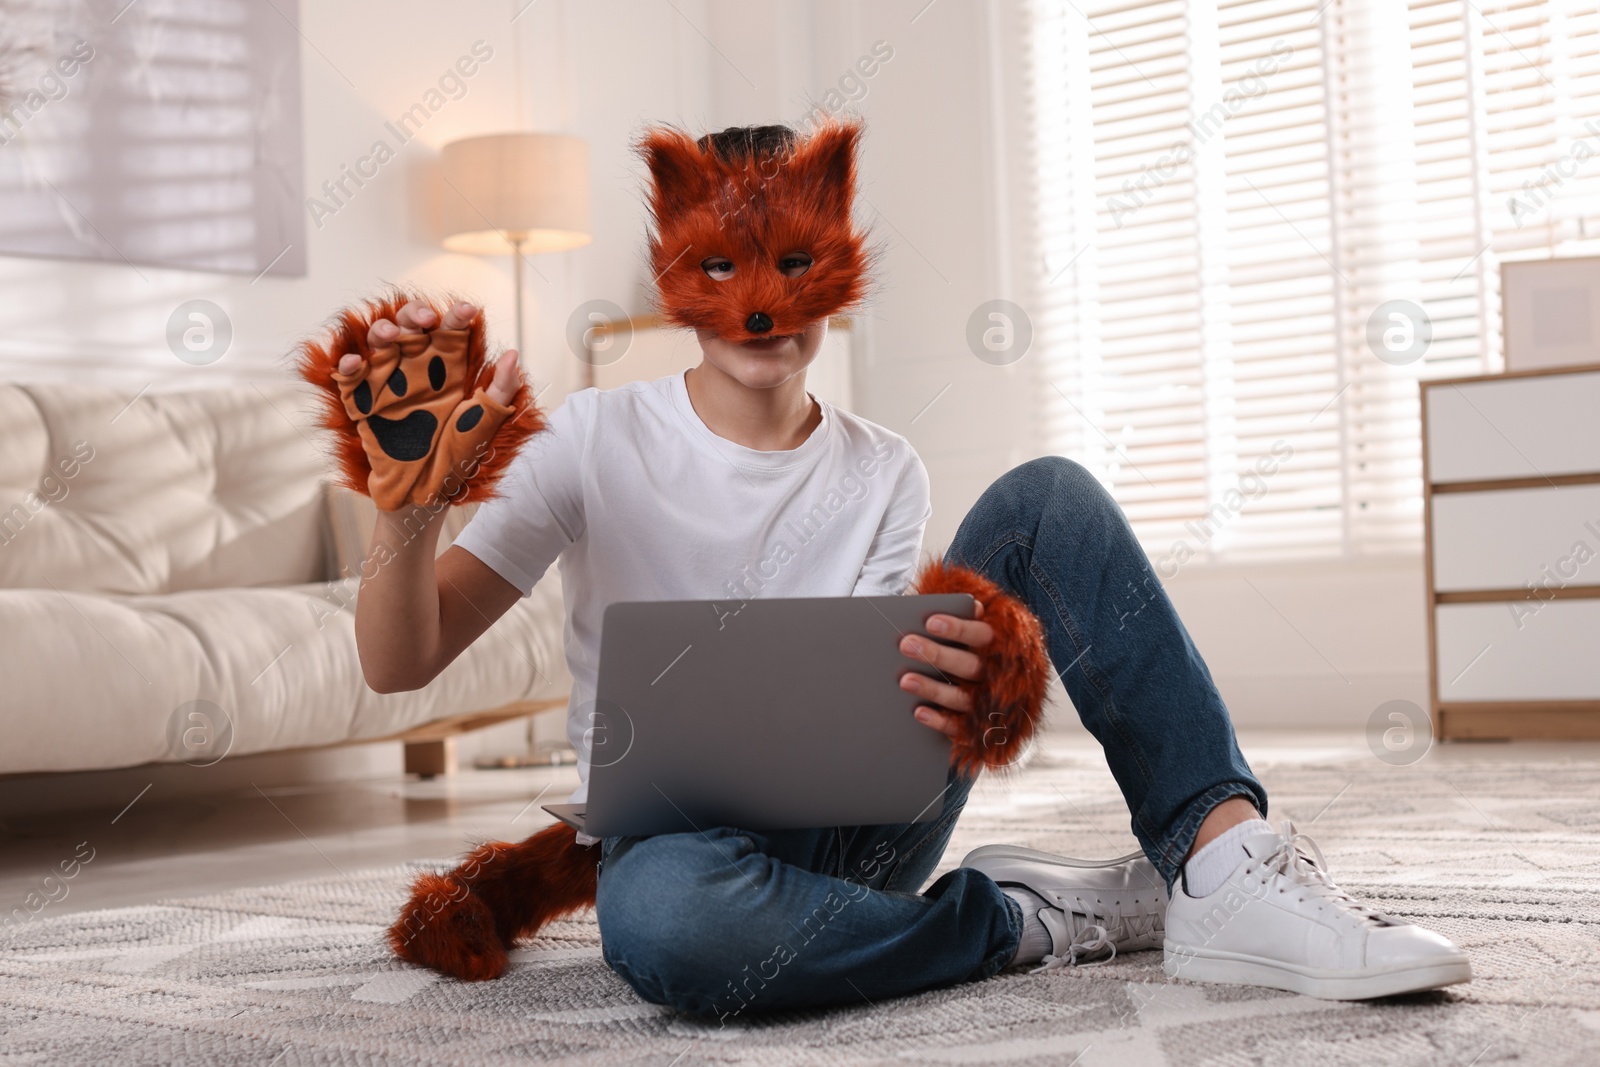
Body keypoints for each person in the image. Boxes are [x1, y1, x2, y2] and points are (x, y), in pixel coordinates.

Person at [303, 121, 1470, 1015]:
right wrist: (407, 513)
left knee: (1048, 498)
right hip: (682, 847)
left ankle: (1224, 867)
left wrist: (978, 675)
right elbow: (399, 662)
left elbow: (872, 716)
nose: (761, 309)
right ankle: (1018, 920)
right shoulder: (590, 440)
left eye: (795, 264)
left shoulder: (884, 468)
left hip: (861, 828)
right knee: (661, 925)